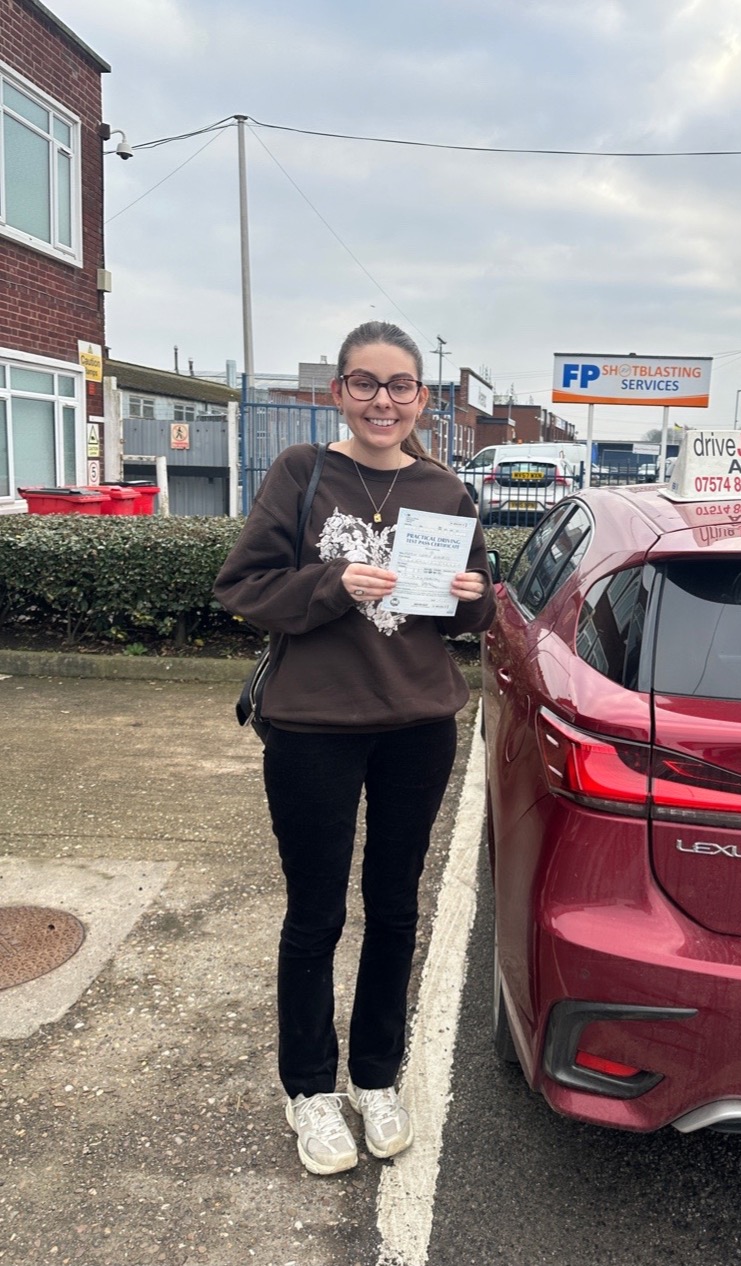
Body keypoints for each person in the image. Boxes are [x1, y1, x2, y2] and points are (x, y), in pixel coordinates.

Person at [214, 321, 497, 1175]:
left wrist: (473, 595)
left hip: (417, 725)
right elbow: (243, 588)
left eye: (401, 385)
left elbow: (470, 618)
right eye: (366, 383)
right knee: (315, 915)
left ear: (422, 398)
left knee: (397, 907)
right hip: (312, 730)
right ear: (339, 392)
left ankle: (375, 1078)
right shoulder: (302, 475)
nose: (384, 400)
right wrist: (333, 583)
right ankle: (309, 1090)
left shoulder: (446, 489)